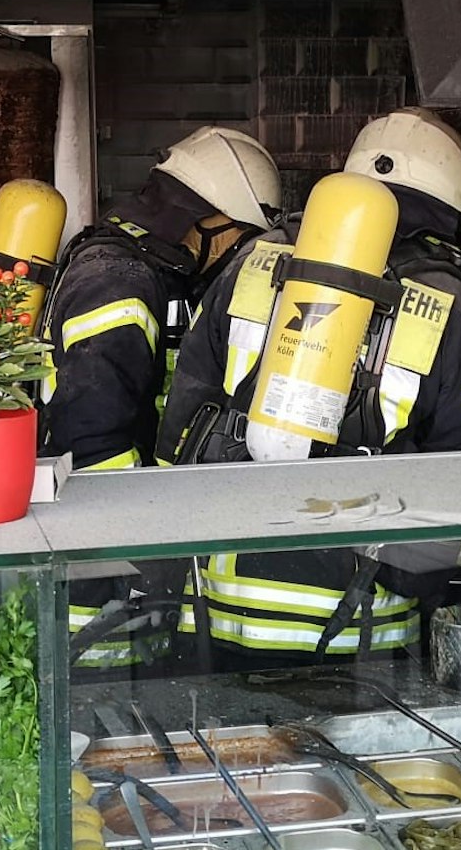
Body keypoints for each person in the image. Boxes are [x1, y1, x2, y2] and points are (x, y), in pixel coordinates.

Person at [157, 107, 461, 670]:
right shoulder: (452, 305)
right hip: (361, 632)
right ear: (449, 202)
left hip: (225, 610)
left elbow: (183, 420)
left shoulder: (251, 263)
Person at [41, 125, 282, 673]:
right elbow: (94, 437)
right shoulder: (120, 281)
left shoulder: (137, 266)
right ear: (210, 221)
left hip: (118, 570)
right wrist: (147, 553)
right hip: (101, 586)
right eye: (241, 239)